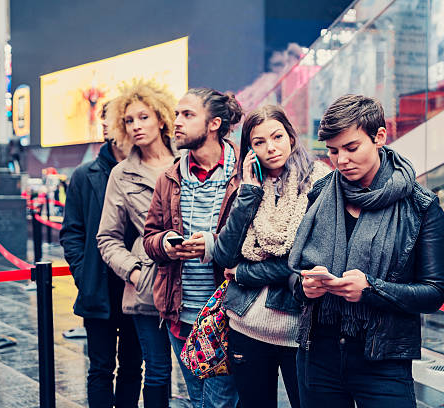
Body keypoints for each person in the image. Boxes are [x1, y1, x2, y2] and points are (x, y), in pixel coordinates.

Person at [288, 94, 444, 408]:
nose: (341, 161)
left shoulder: (420, 205)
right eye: (332, 151)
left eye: (351, 148)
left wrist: (371, 290)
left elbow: (434, 292)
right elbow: (293, 274)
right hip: (318, 352)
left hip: (383, 359)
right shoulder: (321, 193)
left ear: (380, 137)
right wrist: (305, 286)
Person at [213, 105, 330, 408]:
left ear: (291, 136)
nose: (271, 147)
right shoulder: (245, 186)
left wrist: (243, 274)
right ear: (249, 150)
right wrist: (249, 192)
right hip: (245, 328)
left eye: (277, 136)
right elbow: (225, 254)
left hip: (298, 332)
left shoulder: (319, 183)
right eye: (259, 142)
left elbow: (303, 260)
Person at [143, 88, 243, 408]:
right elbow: (150, 237)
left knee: (218, 402)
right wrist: (165, 244)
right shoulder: (169, 177)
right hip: (180, 313)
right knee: (199, 399)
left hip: (226, 313)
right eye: (177, 114)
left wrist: (214, 246)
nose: (177, 122)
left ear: (213, 124)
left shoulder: (244, 172)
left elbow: (259, 240)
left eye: (187, 115)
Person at [96, 79, 178, 408]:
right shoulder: (121, 174)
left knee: (202, 368)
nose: (136, 126)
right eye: (129, 120)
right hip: (148, 283)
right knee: (156, 370)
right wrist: (133, 271)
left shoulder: (187, 160)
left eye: (143, 117)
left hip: (196, 279)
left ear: (161, 118)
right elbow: (107, 237)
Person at [60, 101, 143, 408]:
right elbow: (72, 232)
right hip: (99, 288)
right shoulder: (86, 175)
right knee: (100, 369)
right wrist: (85, 275)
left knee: (133, 368)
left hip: (138, 287)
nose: (108, 126)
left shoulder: (148, 170)